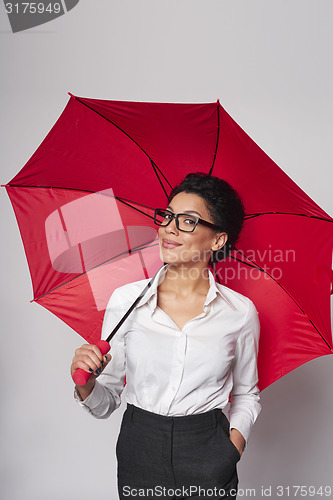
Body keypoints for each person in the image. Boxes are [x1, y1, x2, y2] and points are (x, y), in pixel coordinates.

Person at [71, 172, 261, 500]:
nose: (169, 228)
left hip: (208, 448)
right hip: (138, 447)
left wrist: (232, 448)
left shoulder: (239, 313)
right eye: (168, 216)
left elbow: (247, 394)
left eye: (188, 221)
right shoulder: (125, 301)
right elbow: (107, 404)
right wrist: (86, 384)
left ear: (217, 240)